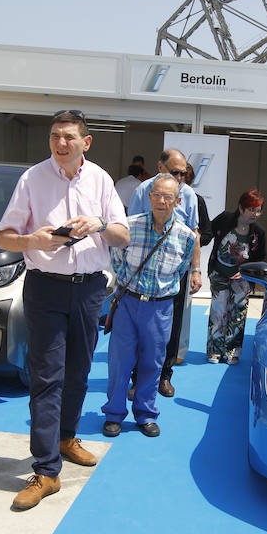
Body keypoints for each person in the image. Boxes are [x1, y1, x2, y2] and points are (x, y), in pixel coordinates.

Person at [0, 110, 129, 511]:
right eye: (55, 136)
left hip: (89, 290)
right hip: (46, 290)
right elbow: (4, 236)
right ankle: (46, 470)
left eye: (69, 137)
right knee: (46, 377)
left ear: (85, 142)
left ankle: (67, 437)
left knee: (79, 372)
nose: (61, 143)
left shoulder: (102, 179)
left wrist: (99, 223)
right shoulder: (32, 179)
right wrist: (34, 239)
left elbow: (122, 236)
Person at [102, 174, 196, 438]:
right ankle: (113, 414)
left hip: (160, 307)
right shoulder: (129, 226)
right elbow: (117, 259)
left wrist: (159, 291)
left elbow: (180, 270)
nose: (161, 201)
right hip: (128, 303)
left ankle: (145, 414)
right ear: (149, 197)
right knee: (120, 362)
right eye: (157, 195)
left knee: (152, 363)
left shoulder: (186, 237)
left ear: (177, 201)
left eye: (168, 197)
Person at [128, 149, 202, 397]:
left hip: (174, 272)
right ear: (160, 167)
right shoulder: (143, 191)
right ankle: (138, 379)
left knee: (171, 326)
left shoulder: (189, 195)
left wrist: (195, 270)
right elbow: (131, 229)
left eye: (183, 173)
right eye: (175, 172)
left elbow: (194, 235)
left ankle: (165, 376)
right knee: (141, 329)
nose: (180, 177)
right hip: (145, 273)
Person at [207, 189, 266, 365]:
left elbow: (259, 257)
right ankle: (214, 349)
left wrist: (247, 270)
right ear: (241, 208)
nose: (255, 214)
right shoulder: (225, 219)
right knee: (219, 311)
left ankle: (232, 350)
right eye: (251, 210)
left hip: (242, 279)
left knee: (238, 314)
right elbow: (208, 232)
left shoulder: (259, 233)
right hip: (219, 273)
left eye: (258, 210)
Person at [185, 164, 212, 248]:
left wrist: (189, 242)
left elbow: (207, 235)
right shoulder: (165, 199)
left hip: (189, 255)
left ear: (192, 183)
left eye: (187, 184)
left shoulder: (197, 200)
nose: (183, 190)